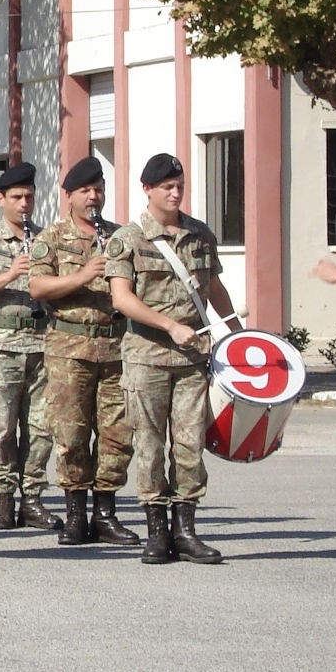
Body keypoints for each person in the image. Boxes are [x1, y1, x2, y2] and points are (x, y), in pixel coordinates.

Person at [105, 153, 240, 565]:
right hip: (146, 358)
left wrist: (238, 337)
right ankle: (157, 532)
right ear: (147, 189)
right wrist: (168, 325)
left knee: (189, 445)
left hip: (192, 359)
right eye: (166, 186)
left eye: (179, 185)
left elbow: (213, 288)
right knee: (148, 445)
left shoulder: (199, 234)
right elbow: (121, 298)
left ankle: (186, 530)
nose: (174, 192)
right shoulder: (127, 239)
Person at [28, 157, 138, 546]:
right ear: (69, 196)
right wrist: (82, 275)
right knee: (71, 433)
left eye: (99, 189)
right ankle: (75, 514)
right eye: (86, 191)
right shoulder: (52, 237)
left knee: (117, 434)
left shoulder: (121, 236)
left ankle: (105, 513)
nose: (94, 197)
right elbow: (38, 287)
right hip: (69, 348)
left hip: (115, 347)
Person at [0, 162, 61, 532]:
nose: (24, 204)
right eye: (17, 197)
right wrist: (9, 274)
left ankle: (32, 498)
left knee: (40, 427)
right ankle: (4, 499)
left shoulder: (47, 239)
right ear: (0, 198)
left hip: (41, 343)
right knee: (2, 429)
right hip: (0, 346)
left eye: (30, 197)